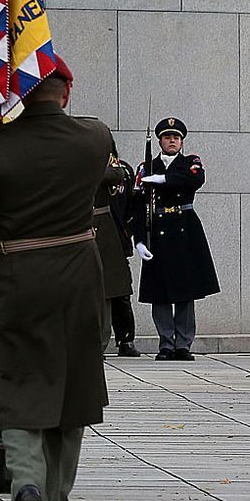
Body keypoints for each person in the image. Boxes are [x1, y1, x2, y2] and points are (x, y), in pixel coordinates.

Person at [0, 66, 121, 501]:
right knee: (72, 396)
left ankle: (26, 481)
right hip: (79, 279)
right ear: (67, 92)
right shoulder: (93, 139)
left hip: (21, 275)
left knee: (22, 383)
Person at [130, 117, 219, 360]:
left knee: (185, 289)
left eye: (176, 137)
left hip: (184, 229)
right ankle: (166, 343)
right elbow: (139, 206)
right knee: (160, 290)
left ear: (182, 142)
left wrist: (163, 179)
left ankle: (183, 344)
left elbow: (195, 179)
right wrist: (138, 240)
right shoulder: (146, 167)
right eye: (168, 137)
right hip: (157, 230)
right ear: (159, 140)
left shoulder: (190, 163)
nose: (172, 141)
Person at [93, 145, 141, 356]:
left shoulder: (122, 170)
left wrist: (128, 231)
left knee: (120, 290)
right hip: (92, 233)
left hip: (116, 236)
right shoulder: (80, 166)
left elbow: (133, 203)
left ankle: (125, 338)